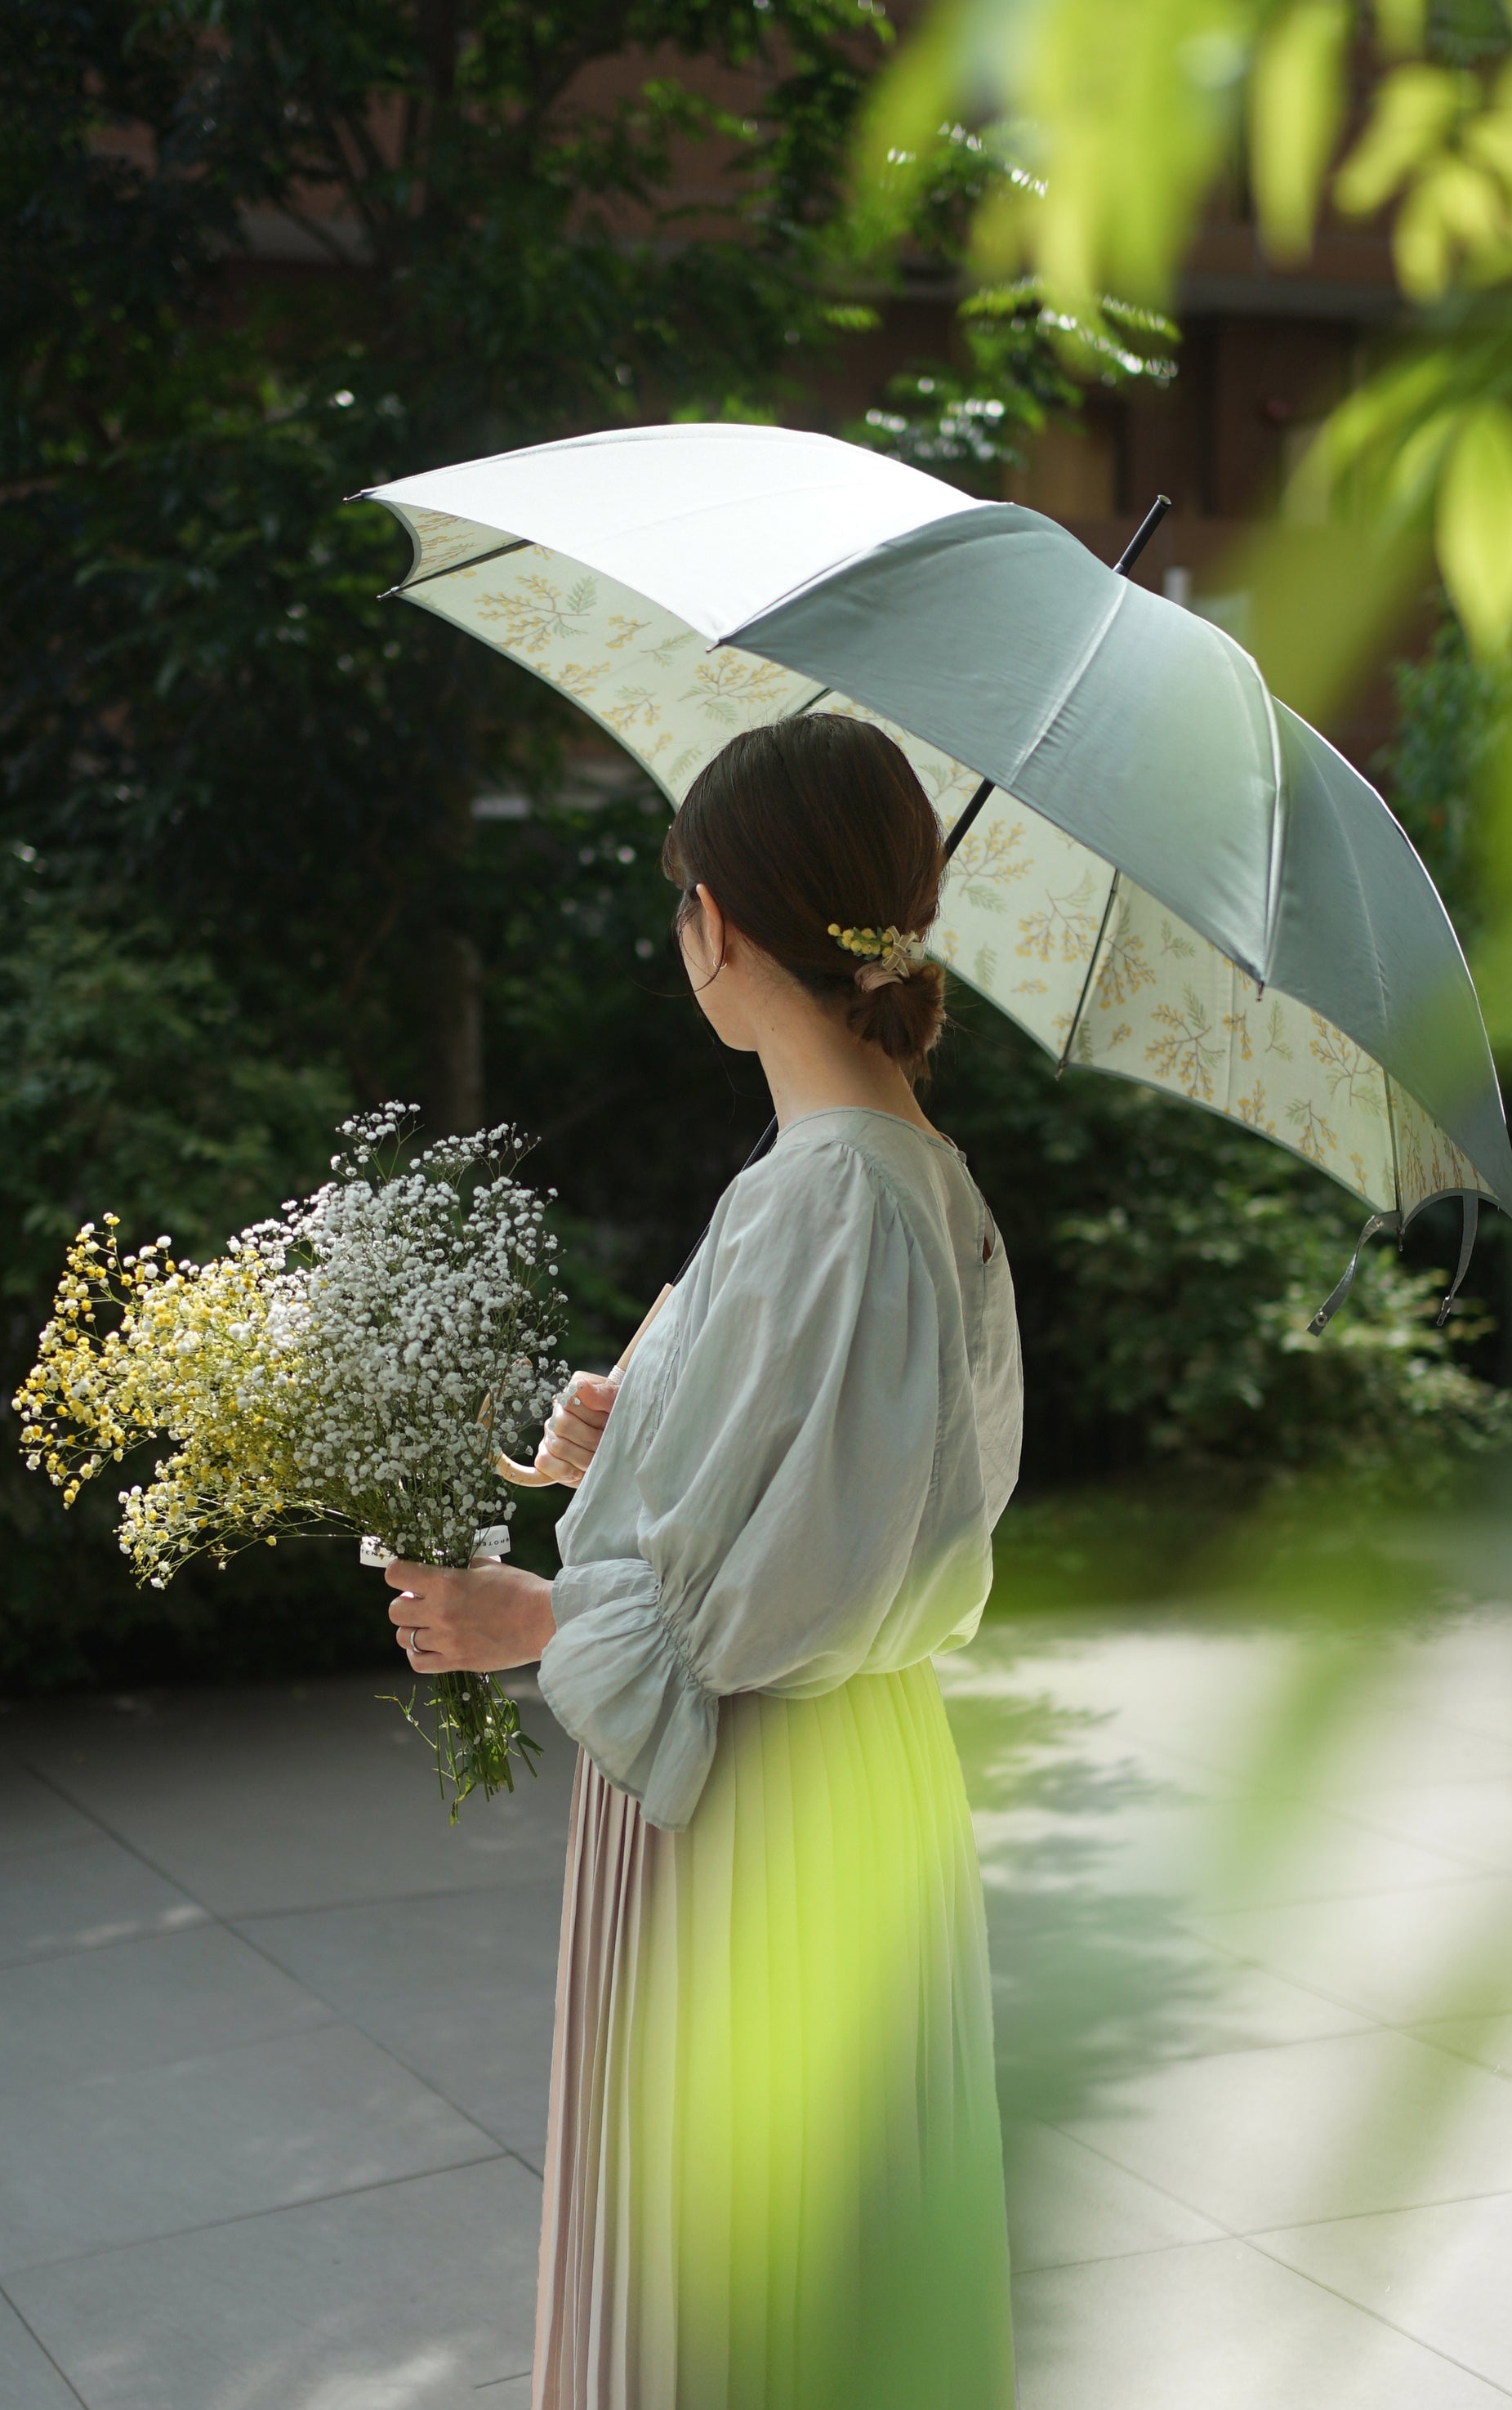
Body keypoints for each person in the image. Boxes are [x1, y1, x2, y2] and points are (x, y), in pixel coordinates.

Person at [385, 715, 1024, 2410]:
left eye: (683, 897)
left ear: (721, 923)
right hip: (853, 1769)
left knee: (735, 2293)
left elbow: (782, 1584)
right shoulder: (907, 1176)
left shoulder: (827, 1193)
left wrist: (533, 1614)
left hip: (761, 1794)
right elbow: (818, 1491)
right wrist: (624, 1437)